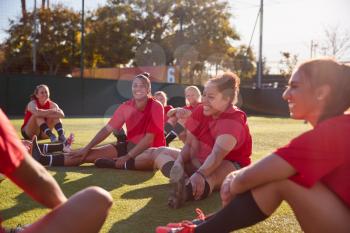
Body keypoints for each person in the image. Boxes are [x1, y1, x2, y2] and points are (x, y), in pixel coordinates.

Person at [156, 58, 350, 233]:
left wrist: (235, 178)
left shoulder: (336, 131)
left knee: (282, 179)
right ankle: (201, 228)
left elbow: (253, 175)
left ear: (322, 93)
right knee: (278, 177)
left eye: (295, 86)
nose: (285, 95)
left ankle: (199, 230)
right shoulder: (339, 127)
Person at [114, 72, 250, 209]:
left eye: (211, 97)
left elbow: (217, 155)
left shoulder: (233, 119)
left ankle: (185, 192)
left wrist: (200, 174)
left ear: (226, 99)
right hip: (201, 159)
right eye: (204, 95)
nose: (204, 100)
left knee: (210, 175)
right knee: (159, 152)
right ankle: (118, 164)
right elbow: (190, 144)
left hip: (230, 164)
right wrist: (179, 162)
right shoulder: (201, 110)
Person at [0, 108, 113, 233]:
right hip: (31, 131)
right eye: (41, 92)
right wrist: (69, 214)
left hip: (39, 133)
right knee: (98, 198)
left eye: (45, 93)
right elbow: (36, 178)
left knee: (28, 142)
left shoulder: (50, 104)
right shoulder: (33, 104)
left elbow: (60, 114)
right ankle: (51, 149)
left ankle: (56, 147)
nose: (43, 95)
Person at [31, 72, 165, 168]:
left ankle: (118, 164)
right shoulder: (126, 106)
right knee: (86, 155)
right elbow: (107, 129)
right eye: (135, 85)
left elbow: (149, 140)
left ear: (148, 89)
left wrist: (128, 156)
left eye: (142, 86)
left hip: (152, 151)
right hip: (131, 145)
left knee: (140, 158)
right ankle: (44, 159)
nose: (138, 89)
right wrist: (86, 148)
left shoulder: (156, 106)